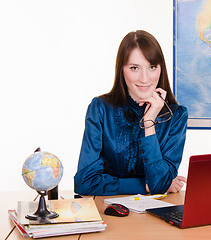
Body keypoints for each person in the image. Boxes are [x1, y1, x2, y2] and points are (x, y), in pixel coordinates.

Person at [74, 30, 188, 196]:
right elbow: (85, 182)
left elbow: (160, 184)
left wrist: (149, 123)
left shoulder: (176, 116)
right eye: (135, 68)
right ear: (122, 69)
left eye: (152, 67)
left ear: (160, 69)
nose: (144, 78)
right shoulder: (101, 108)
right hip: (108, 213)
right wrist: (146, 186)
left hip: (156, 214)